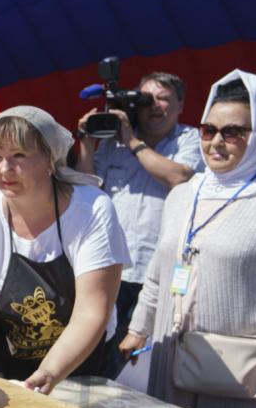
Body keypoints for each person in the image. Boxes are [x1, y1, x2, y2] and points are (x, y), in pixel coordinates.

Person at [119, 70, 256, 408]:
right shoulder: (184, 193)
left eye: (232, 132)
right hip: (171, 359)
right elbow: (159, 273)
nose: (216, 142)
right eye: (207, 130)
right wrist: (138, 329)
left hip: (238, 374)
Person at [0, 106, 129, 393]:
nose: (5, 169)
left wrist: (49, 372)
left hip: (80, 370)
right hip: (8, 370)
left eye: (19, 156)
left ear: (50, 161)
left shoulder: (91, 211)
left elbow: (91, 312)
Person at [75, 72, 202, 377]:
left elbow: (178, 177)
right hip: (113, 263)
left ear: (181, 104)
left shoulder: (191, 138)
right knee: (96, 346)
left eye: (164, 98)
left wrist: (132, 140)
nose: (154, 106)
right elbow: (86, 183)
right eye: (146, 100)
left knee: (142, 356)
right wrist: (85, 141)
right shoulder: (112, 144)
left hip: (157, 270)